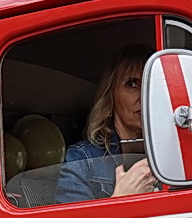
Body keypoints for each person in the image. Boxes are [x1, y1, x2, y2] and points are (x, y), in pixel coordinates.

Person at [54, 45, 158, 205]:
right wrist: (121, 199)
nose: (145, 93)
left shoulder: (178, 154)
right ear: (110, 98)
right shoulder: (84, 159)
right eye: (132, 84)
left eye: (152, 83)